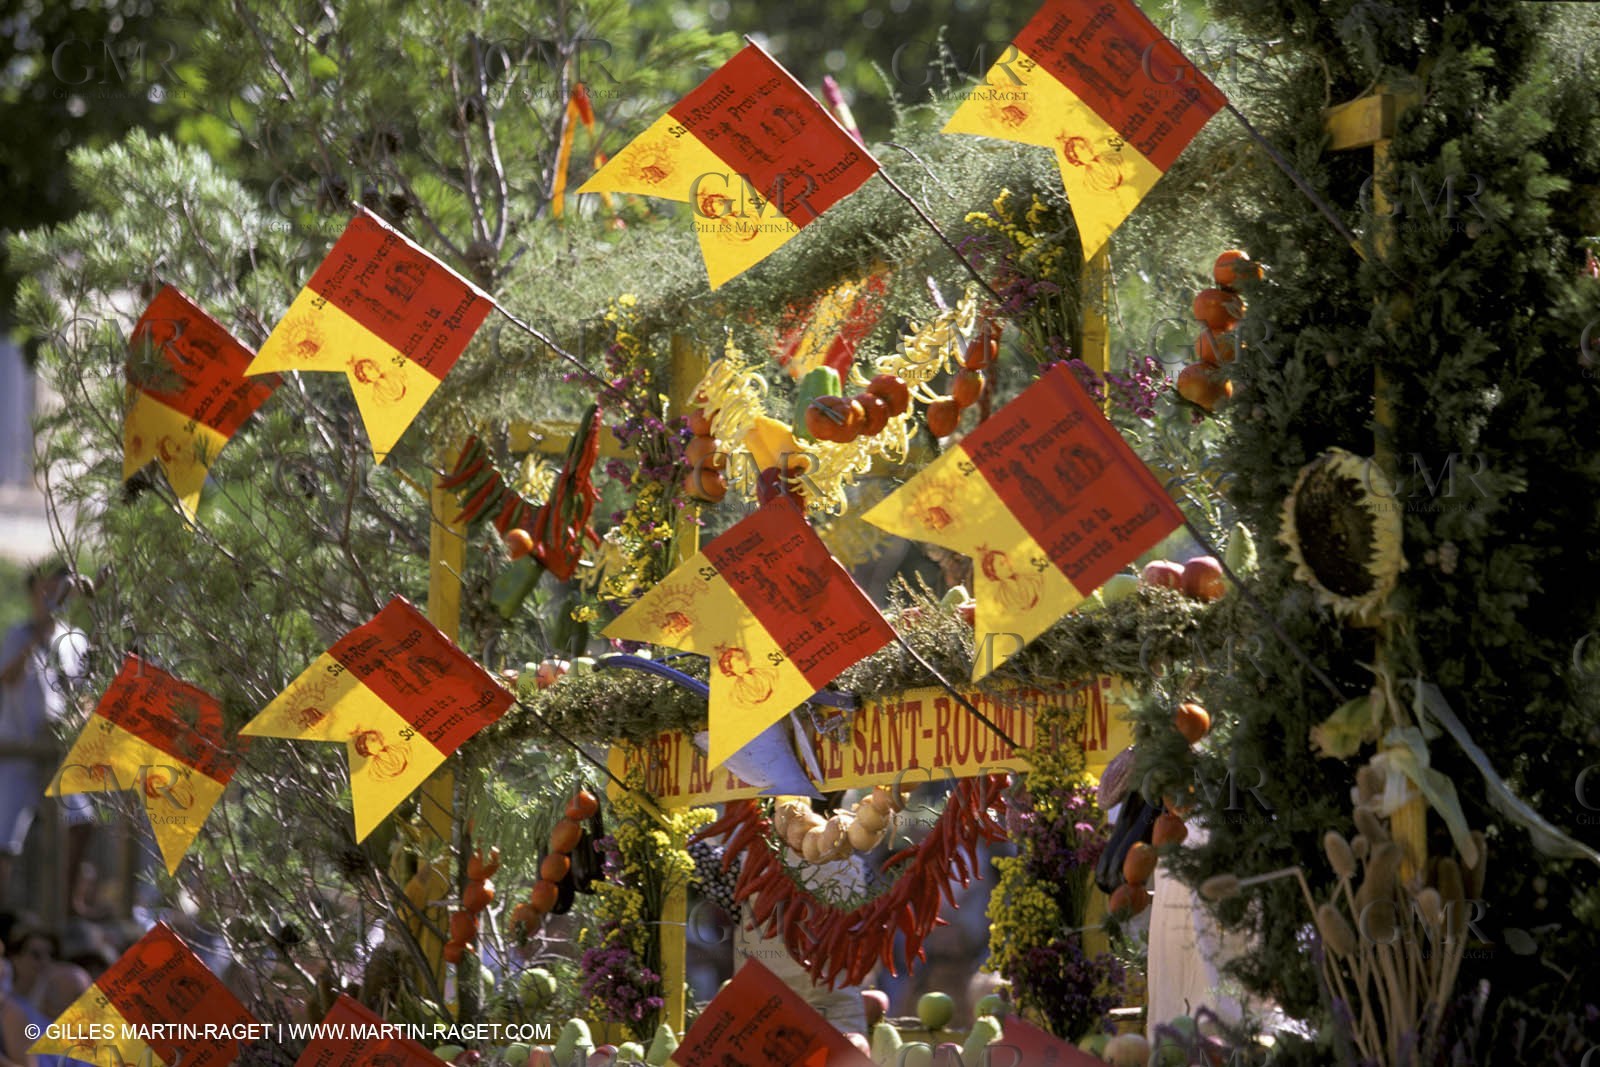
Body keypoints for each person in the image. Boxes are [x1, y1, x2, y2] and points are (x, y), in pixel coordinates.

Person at [0, 563, 94, 915]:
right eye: (46, 592)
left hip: (57, 754)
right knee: (5, 839)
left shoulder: (75, 640)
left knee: (81, 821)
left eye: (59, 592)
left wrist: (71, 720)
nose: (53, 599)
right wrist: (37, 637)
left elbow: (85, 695)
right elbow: (7, 678)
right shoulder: (17, 635)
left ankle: (67, 904)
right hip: (17, 755)